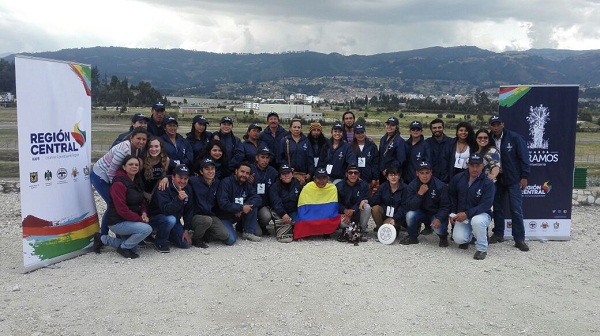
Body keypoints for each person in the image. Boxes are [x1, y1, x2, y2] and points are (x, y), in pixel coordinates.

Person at [91, 127, 148, 236]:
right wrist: (118, 188)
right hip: (100, 175)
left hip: (112, 176)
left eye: (144, 139)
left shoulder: (137, 148)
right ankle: (103, 235)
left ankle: (119, 232)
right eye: (138, 138)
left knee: (118, 202)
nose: (141, 142)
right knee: (112, 203)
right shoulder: (124, 150)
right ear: (131, 137)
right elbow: (111, 172)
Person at [488, 115, 531, 252]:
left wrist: (524, 176)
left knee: (516, 209)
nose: (495, 127)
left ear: (503, 124)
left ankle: (519, 239)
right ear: (490, 126)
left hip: (513, 179)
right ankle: (498, 233)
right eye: (493, 125)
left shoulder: (514, 137)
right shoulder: (487, 139)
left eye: (498, 124)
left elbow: (524, 157)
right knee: (497, 207)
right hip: (496, 179)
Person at [96, 155, 152, 259]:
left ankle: (102, 239)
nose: (134, 166)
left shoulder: (136, 181)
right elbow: (121, 209)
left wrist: (144, 213)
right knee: (146, 229)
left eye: (136, 165)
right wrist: (140, 219)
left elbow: (142, 201)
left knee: (134, 248)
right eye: (130, 164)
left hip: (129, 220)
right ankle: (123, 248)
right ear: (124, 167)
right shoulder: (118, 184)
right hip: (117, 222)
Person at [448, 153, 495, 260]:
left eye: (478, 166)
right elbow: (452, 197)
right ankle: (470, 237)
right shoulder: (458, 178)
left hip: (481, 214)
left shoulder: (488, 183)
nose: (475, 169)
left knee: (477, 221)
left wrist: (467, 214)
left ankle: (482, 249)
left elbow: (486, 204)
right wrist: (452, 213)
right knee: (459, 239)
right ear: (467, 165)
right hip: (462, 214)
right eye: (472, 165)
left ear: (482, 166)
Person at [401, 161, 451, 247]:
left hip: (435, 214)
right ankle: (413, 237)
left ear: (431, 173)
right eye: (422, 173)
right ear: (417, 173)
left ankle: (443, 237)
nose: (425, 175)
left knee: (439, 228)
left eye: (427, 173)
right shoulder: (412, 186)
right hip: (421, 213)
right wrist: (419, 194)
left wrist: (439, 218)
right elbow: (410, 206)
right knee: (410, 215)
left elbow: (445, 206)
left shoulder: (440, 186)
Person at [187, 158, 234, 247]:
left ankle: (205, 233)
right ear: (201, 171)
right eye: (207, 169)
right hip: (195, 215)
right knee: (206, 220)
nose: (210, 171)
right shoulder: (194, 181)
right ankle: (196, 238)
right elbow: (180, 178)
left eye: (212, 169)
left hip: (210, 215)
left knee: (224, 235)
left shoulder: (217, 182)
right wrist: (166, 178)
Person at [147, 165, 194, 253]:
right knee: (170, 219)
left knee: (185, 244)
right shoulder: (164, 186)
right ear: (173, 177)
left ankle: (167, 233)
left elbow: (189, 210)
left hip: (175, 220)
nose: (183, 181)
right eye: (180, 177)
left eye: (186, 178)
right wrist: (179, 199)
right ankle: (159, 242)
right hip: (157, 218)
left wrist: (186, 230)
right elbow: (166, 210)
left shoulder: (188, 188)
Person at [216, 161, 263, 243]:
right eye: (242, 171)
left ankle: (248, 232)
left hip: (239, 215)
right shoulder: (226, 183)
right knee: (230, 240)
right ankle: (215, 231)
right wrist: (240, 207)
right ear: (236, 171)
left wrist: (243, 207)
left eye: (247, 173)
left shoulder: (247, 184)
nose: (244, 175)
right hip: (224, 216)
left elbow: (258, 199)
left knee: (258, 232)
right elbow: (223, 204)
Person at [294, 167, 341, 240]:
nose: (321, 181)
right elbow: (303, 206)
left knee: (330, 216)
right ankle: (309, 232)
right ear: (314, 179)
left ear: (327, 179)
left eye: (324, 178)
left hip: (325, 213)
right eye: (319, 178)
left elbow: (332, 208)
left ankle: (326, 232)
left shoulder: (332, 188)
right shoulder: (308, 187)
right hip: (311, 213)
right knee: (303, 218)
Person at [363, 166, 408, 233]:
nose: (393, 177)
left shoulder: (405, 188)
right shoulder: (383, 187)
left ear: (399, 176)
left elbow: (404, 207)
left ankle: (394, 227)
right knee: (375, 209)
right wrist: (366, 201)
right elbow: (375, 199)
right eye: (391, 175)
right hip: (385, 213)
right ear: (387, 177)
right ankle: (380, 228)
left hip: (398, 215)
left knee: (389, 227)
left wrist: (395, 218)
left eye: (395, 175)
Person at [269, 164, 303, 243]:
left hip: (293, 211)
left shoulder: (298, 185)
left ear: (292, 174)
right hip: (280, 212)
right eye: (283, 173)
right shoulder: (274, 187)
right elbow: (276, 202)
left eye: (288, 173)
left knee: (299, 228)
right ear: (280, 176)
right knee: (285, 238)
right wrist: (283, 214)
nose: (286, 175)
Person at [249, 147, 279, 236]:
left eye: (267, 158)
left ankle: (262, 225)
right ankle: (243, 224)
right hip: (251, 205)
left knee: (266, 216)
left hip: (263, 205)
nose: (265, 160)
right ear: (257, 158)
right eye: (262, 157)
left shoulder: (272, 172)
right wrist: (246, 180)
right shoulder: (249, 169)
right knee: (257, 234)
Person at [336, 165, 370, 241]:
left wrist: (352, 211)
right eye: (350, 173)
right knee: (342, 223)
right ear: (346, 174)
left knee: (367, 206)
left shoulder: (364, 185)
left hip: (357, 213)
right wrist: (345, 211)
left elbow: (363, 199)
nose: (353, 175)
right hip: (344, 214)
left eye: (355, 173)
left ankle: (361, 230)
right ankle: (346, 231)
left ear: (359, 175)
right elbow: (336, 203)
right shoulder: (339, 186)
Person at [278, 119, 314, 184]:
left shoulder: (306, 141)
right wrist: (287, 169)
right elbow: (280, 158)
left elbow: (310, 158)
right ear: (290, 128)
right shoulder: (284, 141)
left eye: (298, 127)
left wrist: (310, 173)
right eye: (294, 127)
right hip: (288, 175)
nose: (296, 129)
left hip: (303, 175)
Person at [350, 124, 379, 191]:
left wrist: (374, 178)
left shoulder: (372, 146)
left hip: (368, 179)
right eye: (357, 133)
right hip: (354, 178)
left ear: (365, 132)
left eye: (362, 132)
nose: (360, 135)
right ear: (354, 134)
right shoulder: (350, 147)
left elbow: (376, 163)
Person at [140, 136, 170, 202]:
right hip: (141, 191)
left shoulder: (166, 160)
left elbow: (161, 178)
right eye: (150, 146)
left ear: (161, 148)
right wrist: (145, 194)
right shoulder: (141, 160)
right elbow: (137, 181)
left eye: (156, 146)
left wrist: (153, 194)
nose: (153, 149)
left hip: (156, 191)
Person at [378, 116, 407, 184]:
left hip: (393, 174)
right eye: (388, 124)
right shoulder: (383, 139)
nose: (389, 127)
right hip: (382, 174)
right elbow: (381, 156)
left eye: (392, 125)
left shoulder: (400, 141)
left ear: (396, 127)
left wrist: (389, 170)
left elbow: (401, 159)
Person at [425, 118, 453, 184]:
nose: (437, 130)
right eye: (434, 128)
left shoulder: (451, 142)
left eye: (439, 127)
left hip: (447, 181)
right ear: (431, 129)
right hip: (430, 181)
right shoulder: (426, 143)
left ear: (443, 128)